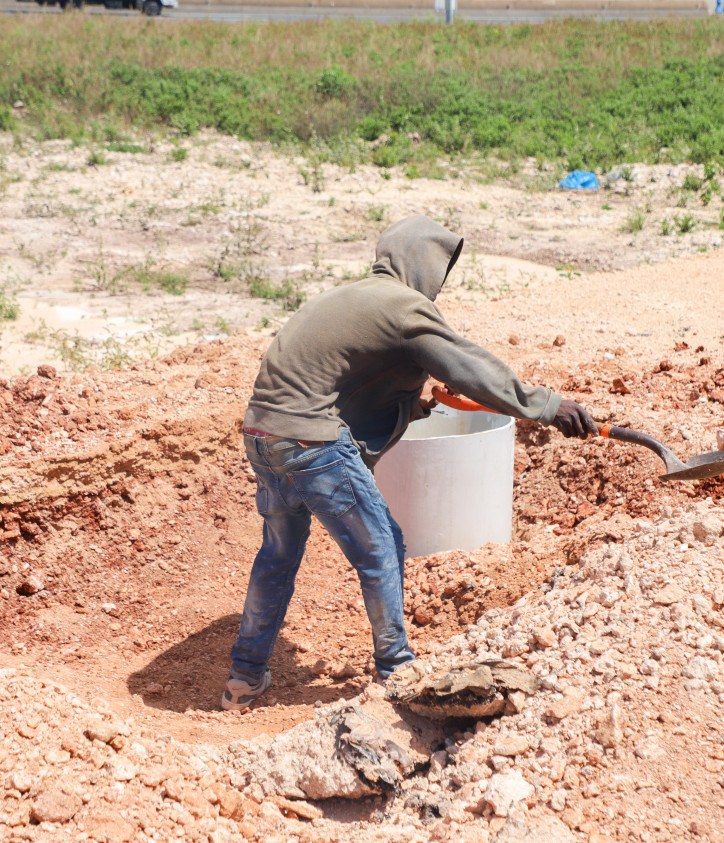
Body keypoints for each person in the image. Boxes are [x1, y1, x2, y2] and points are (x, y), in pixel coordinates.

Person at [223, 214, 596, 711]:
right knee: (382, 545)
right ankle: (397, 669)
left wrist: (407, 406)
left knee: (277, 557)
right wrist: (547, 405)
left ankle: (244, 677)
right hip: (310, 441)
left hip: (262, 435)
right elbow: (468, 366)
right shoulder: (404, 306)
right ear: (422, 264)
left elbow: (333, 383)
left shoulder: (351, 298)